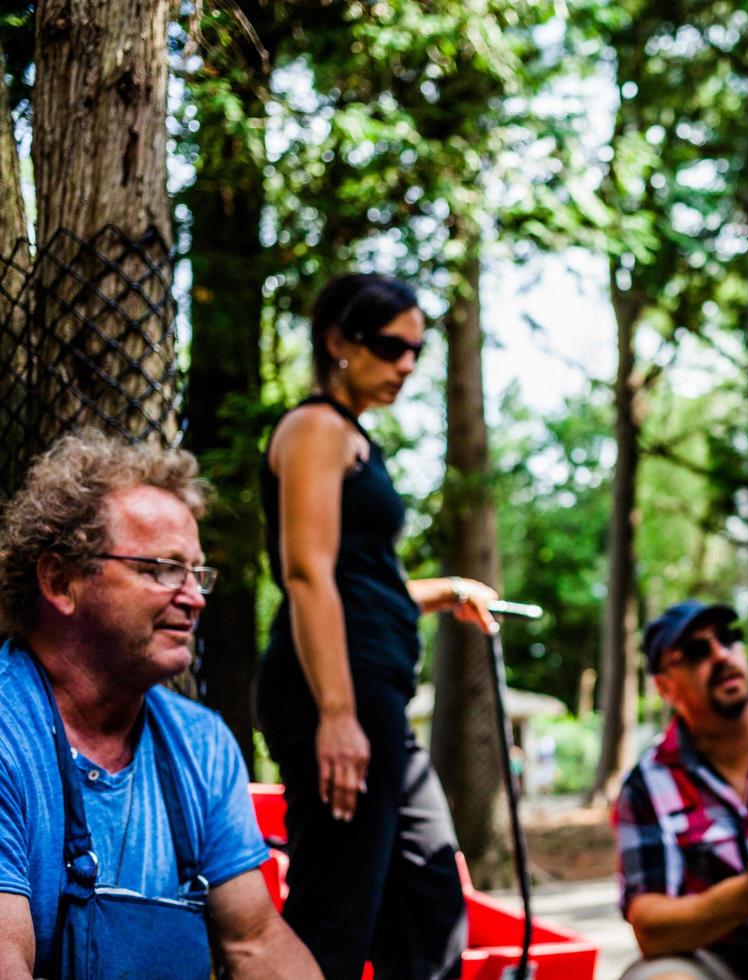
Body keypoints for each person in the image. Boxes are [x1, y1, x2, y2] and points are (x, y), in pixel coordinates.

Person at [0, 432, 321, 978]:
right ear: (60, 581)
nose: (195, 598)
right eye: (162, 569)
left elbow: (255, 942)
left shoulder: (200, 744)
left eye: (197, 574)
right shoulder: (10, 732)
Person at [255, 274, 499, 979]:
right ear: (338, 341)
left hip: (377, 699)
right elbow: (307, 574)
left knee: (427, 893)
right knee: (338, 906)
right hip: (335, 693)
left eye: (417, 350)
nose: (407, 364)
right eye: (391, 346)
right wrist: (336, 714)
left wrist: (445, 591)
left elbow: (360, 579)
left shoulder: (353, 437)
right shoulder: (314, 428)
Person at [614, 600, 748, 980]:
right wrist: (747, 896)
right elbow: (649, 927)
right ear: (665, 687)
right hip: (723, 964)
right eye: (697, 651)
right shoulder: (646, 785)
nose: (720, 654)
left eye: (727, 638)